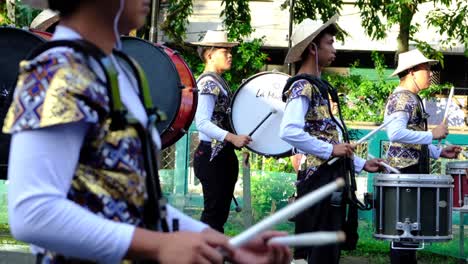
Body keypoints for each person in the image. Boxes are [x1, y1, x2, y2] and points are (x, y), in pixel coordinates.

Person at [3, 1, 291, 263]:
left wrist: (227, 245)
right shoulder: (57, 70)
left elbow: (140, 204)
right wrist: (157, 245)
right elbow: (33, 213)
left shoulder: (118, 71)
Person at [279, 16, 385, 264]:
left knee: (328, 251)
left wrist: (360, 164)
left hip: (329, 178)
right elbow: (289, 131)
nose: (335, 49)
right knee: (318, 253)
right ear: (313, 49)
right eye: (330, 43)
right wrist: (330, 150)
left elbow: (327, 138)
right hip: (318, 181)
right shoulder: (303, 86)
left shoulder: (317, 87)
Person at [384, 48, 462, 264]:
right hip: (403, 174)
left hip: (410, 173)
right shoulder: (402, 99)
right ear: (411, 72)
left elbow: (411, 140)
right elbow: (395, 133)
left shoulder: (411, 98)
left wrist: (437, 150)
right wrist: (431, 134)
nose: (430, 73)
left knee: (409, 237)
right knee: (403, 235)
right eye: (426, 69)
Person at [192, 30, 252, 233]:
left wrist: (237, 142)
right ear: (209, 55)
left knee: (218, 215)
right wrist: (233, 138)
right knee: (213, 215)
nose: (230, 54)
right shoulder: (208, 83)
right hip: (211, 156)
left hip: (221, 155)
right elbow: (202, 123)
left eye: (230, 50)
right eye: (224, 50)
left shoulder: (217, 81)